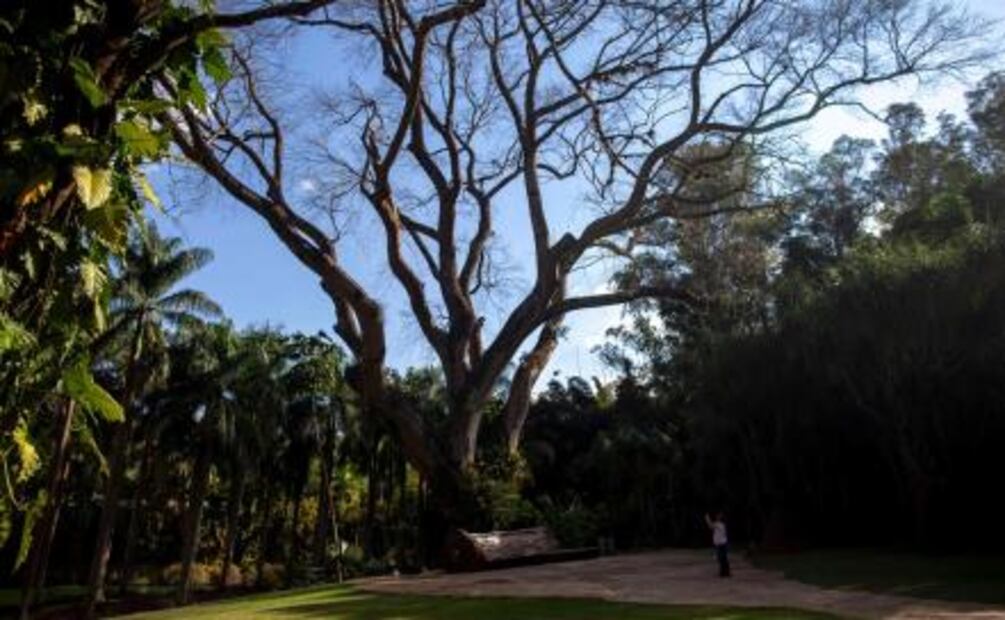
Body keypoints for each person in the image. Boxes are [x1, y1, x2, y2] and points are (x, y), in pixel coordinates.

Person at [704, 511, 731, 577]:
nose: (717, 516)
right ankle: (725, 573)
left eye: (719, 516)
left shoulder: (719, 524)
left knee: (722, 559)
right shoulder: (721, 524)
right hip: (722, 544)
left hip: (722, 544)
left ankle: (724, 573)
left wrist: (707, 518)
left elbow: (710, 526)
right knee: (723, 559)